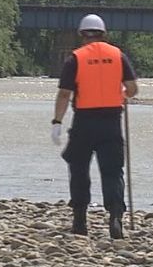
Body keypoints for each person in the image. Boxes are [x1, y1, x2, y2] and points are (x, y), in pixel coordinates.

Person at [51, 13, 138, 239]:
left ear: (82, 36)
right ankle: (116, 215)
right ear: (104, 34)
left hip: (84, 122)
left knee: (79, 168)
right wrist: (124, 94)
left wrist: (57, 122)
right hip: (111, 122)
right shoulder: (118, 56)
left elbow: (64, 94)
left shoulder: (75, 59)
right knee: (112, 171)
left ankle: (80, 221)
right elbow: (132, 88)